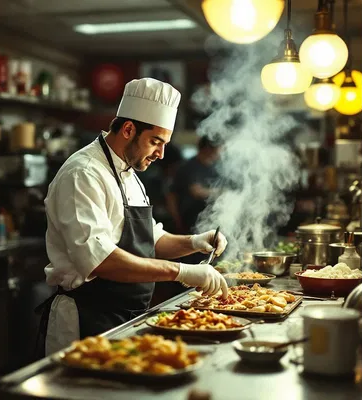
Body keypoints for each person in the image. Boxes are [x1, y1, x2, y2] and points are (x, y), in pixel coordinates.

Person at [36, 78, 228, 357]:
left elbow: (151, 238)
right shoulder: (83, 174)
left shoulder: (129, 173)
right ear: (128, 129)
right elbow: (100, 260)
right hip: (86, 320)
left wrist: (195, 242)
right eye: (155, 142)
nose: (161, 154)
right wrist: (181, 271)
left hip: (127, 316)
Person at [167, 135, 223, 235]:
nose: (221, 151)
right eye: (219, 147)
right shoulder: (188, 167)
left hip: (210, 221)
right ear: (208, 148)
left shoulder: (216, 168)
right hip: (190, 222)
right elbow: (195, 192)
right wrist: (177, 221)